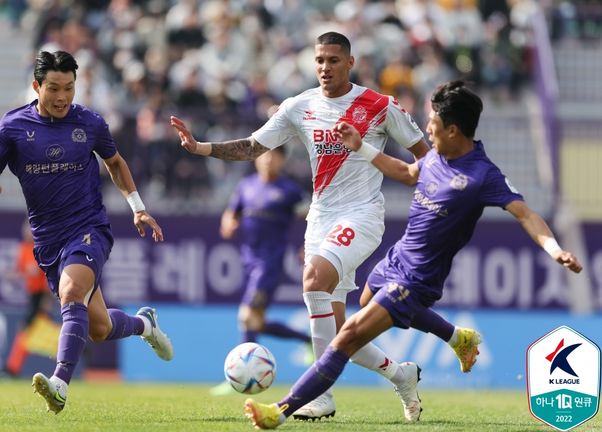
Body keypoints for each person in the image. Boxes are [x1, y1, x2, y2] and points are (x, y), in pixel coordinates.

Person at [171, 32, 479, 421]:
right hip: (320, 220)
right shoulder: (300, 106)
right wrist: (201, 148)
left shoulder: (379, 105)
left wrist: (442, 201)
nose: (325, 67)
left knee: (314, 279)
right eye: (319, 60)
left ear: (350, 63)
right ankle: (402, 375)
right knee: (339, 333)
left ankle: (322, 397)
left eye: (333, 60)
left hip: (363, 215)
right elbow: (253, 146)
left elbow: (426, 156)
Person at [243, 80, 584, 429]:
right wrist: (361, 147)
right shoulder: (437, 155)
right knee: (361, 309)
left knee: (345, 337)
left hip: (416, 280)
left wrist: (555, 250)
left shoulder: (483, 175)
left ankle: (280, 411)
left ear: (453, 129)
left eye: (432, 124)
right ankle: (456, 338)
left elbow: (526, 213)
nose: (426, 131)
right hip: (395, 260)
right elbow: (406, 173)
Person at [0, 50, 173, 414]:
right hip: (47, 240)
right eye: (54, 88)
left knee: (71, 292)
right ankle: (146, 325)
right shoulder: (13, 127)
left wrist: (138, 207)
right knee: (98, 327)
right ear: (37, 86)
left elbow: (114, 162)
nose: (63, 96)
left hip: (88, 228)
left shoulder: (90, 123)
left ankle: (60, 384)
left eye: (69, 87)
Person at [211, 146, 312, 396]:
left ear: (281, 160)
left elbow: (311, 217)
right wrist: (228, 223)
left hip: (270, 262)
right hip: (248, 260)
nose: (267, 159)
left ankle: (244, 372)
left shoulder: (289, 191)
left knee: (246, 316)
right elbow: (230, 213)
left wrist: (307, 245)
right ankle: (307, 339)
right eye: (263, 155)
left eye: (274, 155)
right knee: (255, 321)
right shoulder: (246, 186)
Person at [4, 219, 55, 376]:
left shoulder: (41, 248)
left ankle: (12, 368)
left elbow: (48, 275)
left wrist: (47, 299)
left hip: (41, 296)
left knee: (28, 330)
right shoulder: (23, 249)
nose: (27, 231)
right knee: (33, 330)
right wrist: (11, 275)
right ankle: (12, 368)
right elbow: (21, 271)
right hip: (32, 296)